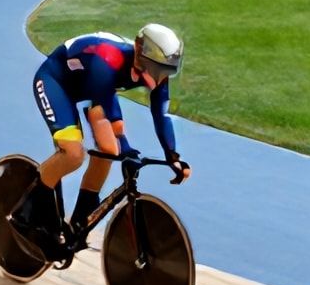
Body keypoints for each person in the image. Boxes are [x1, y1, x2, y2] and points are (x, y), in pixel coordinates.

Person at [13, 25, 190, 257]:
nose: (162, 77)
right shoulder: (108, 59)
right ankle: (25, 213)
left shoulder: (153, 72)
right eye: (159, 70)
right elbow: (102, 113)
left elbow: (161, 115)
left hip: (92, 87)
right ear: (141, 54)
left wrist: (173, 156)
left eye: (167, 71)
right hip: (55, 82)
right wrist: (125, 146)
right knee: (73, 154)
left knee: (109, 151)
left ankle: (81, 218)